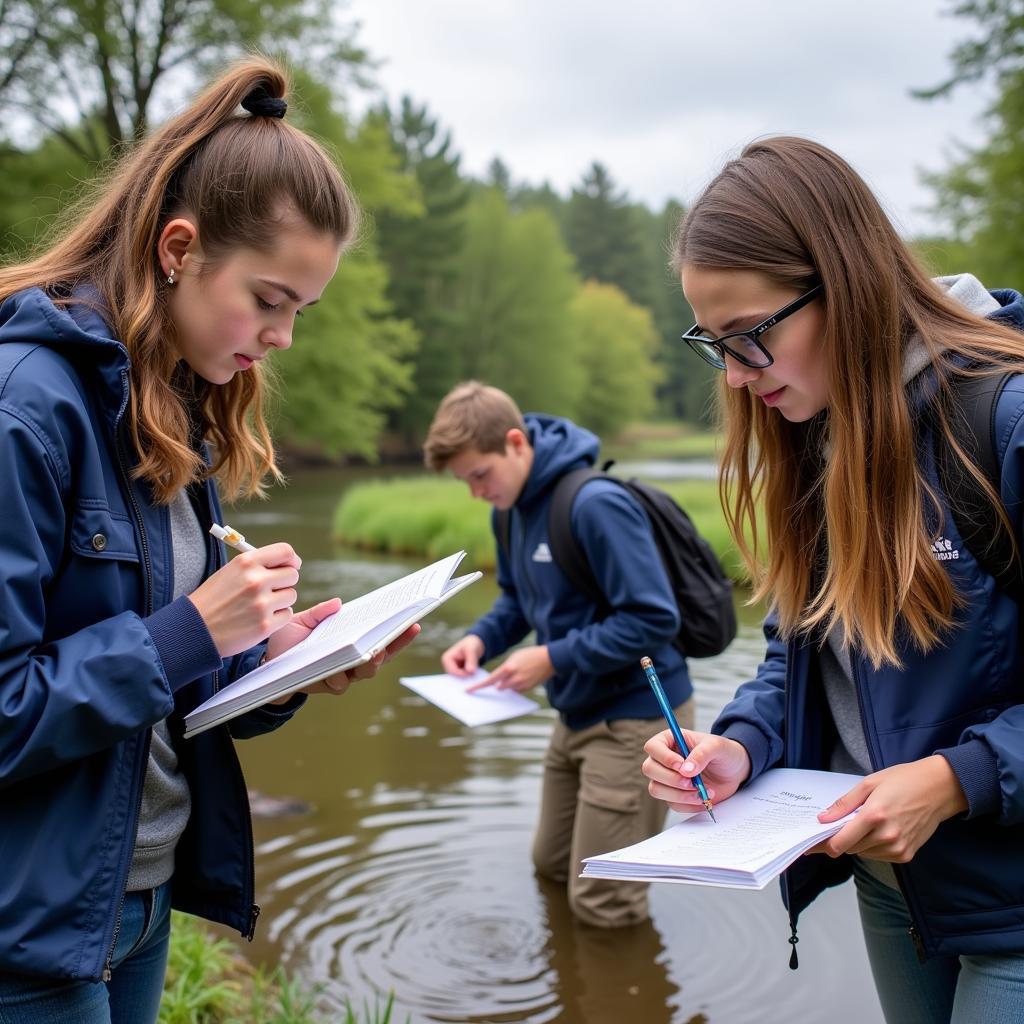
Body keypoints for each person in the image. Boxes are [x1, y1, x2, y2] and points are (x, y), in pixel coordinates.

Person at [0, 58, 418, 1024]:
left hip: (135, 903)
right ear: (178, 248)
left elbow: (162, 699)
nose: (281, 338)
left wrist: (275, 665)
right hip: (30, 931)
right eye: (268, 300)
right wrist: (193, 629)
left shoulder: (173, 413)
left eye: (299, 314)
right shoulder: (27, 408)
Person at [641, 136, 1024, 1022]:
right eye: (714, 344)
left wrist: (957, 777)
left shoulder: (1000, 420)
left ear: (844, 283)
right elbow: (803, 651)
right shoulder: (818, 432)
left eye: (751, 338)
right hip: (892, 884)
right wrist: (740, 745)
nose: (736, 377)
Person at [424, 381, 693, 928]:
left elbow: (655, 618)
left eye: (480, 474)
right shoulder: (511, 511)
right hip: (573, 714)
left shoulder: (596, 505)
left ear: (517, 443)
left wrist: (551, 658)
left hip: (636, 722)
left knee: (604, 903)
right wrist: (481, 639)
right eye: (464, 481)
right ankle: (569, 987)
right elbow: (520, 598)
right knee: (549, 866)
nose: (476, 492)